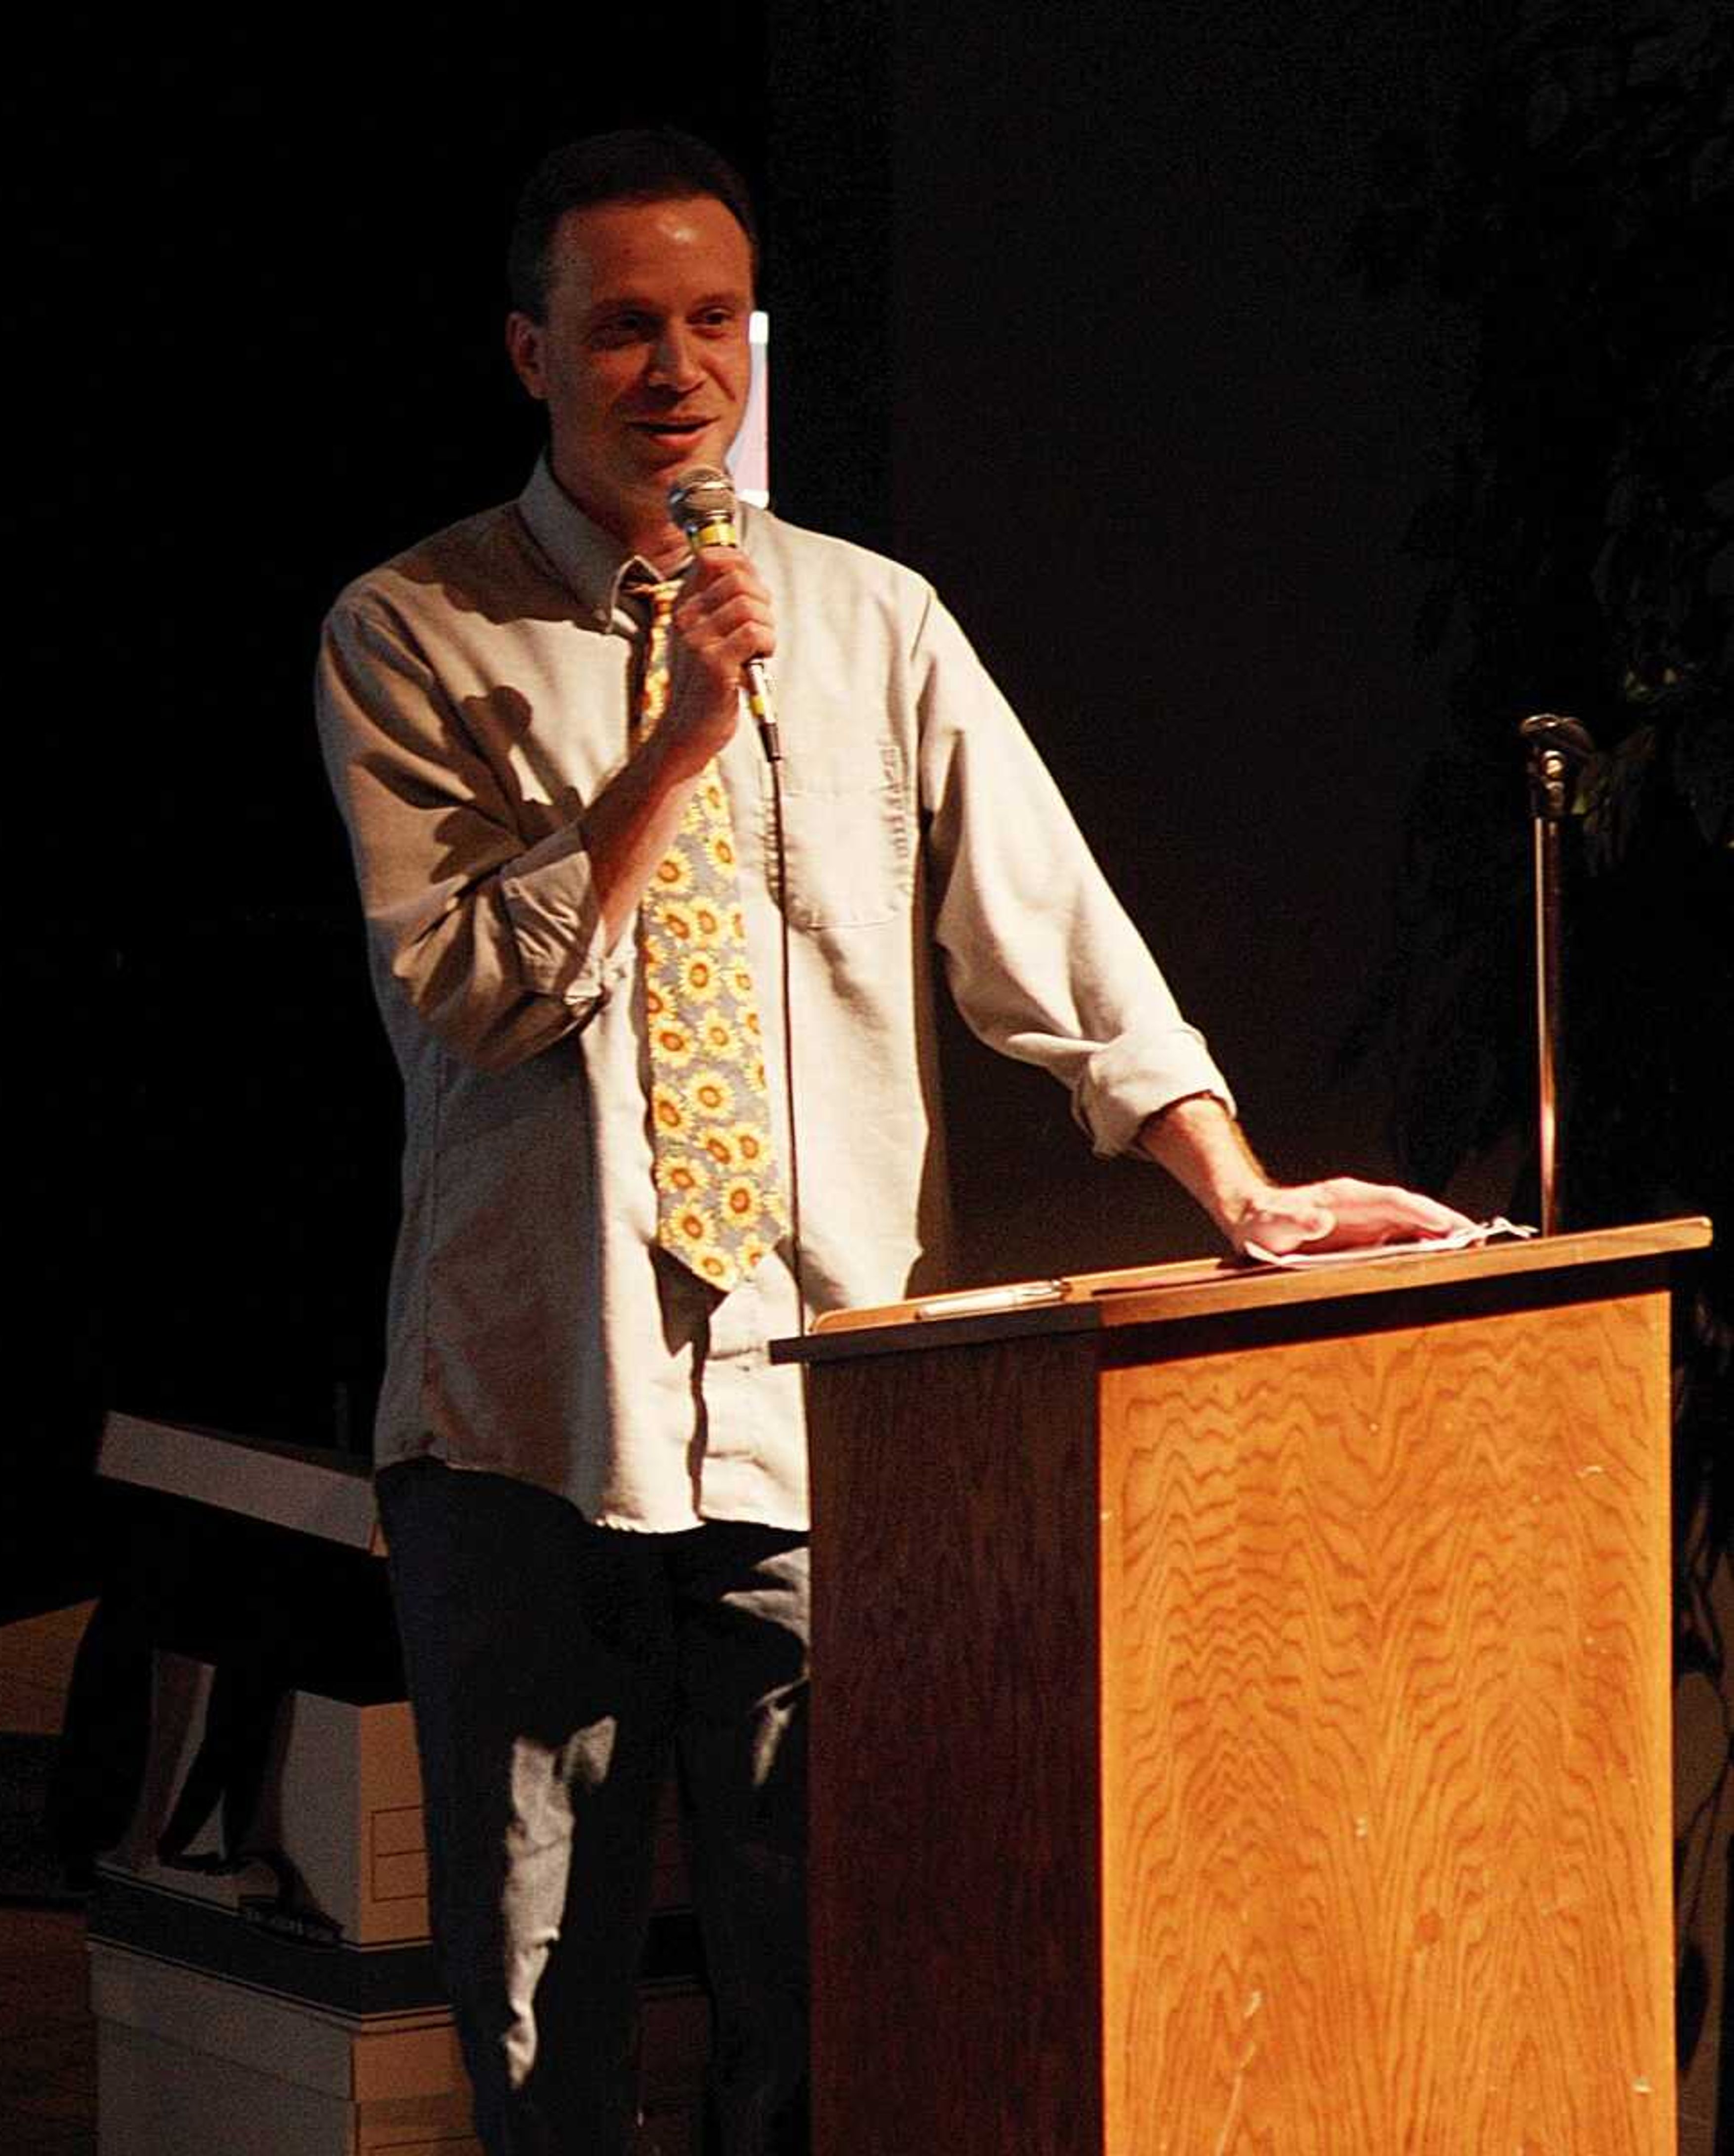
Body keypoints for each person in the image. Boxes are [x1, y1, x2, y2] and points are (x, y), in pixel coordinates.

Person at [315, 126, 1469, 2156]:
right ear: (530, 353)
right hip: (524, 1427)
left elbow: (1059, 938)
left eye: (712, 326)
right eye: (621, 333)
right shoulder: (412, 633)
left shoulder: (873, 623)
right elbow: (471, 994)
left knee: (831, 1998)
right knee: (539, 2027)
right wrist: (674, 740)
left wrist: (1235, 1184)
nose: (678, 372)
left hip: (814, 1414)